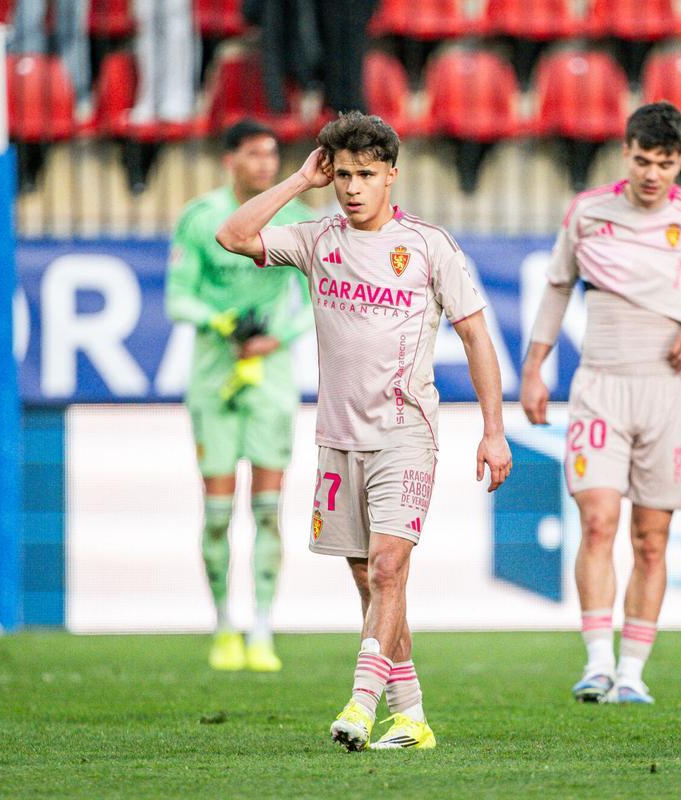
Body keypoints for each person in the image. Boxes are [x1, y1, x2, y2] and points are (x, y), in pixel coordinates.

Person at [215, 110, 512, 750]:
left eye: (366, 175)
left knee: (387, 568)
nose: (352, 187)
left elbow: (477, 336)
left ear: (391, 176)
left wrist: (494, 429)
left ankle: (359, 704)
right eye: (343, 174)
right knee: (370, 579)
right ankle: (411, 717)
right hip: (337, 438)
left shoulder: (429, 246)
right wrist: (299, 180)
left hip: (406, 433)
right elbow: (233, 235)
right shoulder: (318, 238)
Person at [520, 102, 681, 704]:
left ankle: (633, 672)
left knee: (651, 538)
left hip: (665, 391)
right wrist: (532, 369)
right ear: (625, 152)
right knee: (598, 520)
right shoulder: (588, 211)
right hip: (599, 386)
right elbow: (556, 288)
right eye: (644, 160)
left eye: (666, 162)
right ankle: (597, 662)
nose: (653, 174)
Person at [166, 120, 313, 672]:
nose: (266, 165)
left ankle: (262, 628)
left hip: (271, 377)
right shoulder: (202, 219)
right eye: (255, 155)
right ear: (230, 159)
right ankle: (224, 624)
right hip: (214, 378)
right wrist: (221, 322)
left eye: (273, 155)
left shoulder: (297, 221)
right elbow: (179, 298)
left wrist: (281, 337)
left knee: (270, 510)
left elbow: (313, 301)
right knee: (218, 513)